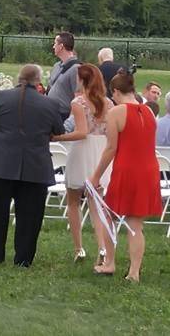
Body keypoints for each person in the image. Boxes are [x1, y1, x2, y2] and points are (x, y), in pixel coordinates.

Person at [0, 65, 65, 267]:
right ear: (38, 81)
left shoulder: (0, 97)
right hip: (35, 165)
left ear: (19, 78)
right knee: (30, 214)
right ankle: (24, 258)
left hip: (1, 163)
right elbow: (58, 130)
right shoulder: (49, 103)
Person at [89, 70, 161, 281]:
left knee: (108, 215)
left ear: (117, 92)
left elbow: (111, 148)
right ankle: (134, 271)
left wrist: (96, 175)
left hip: (127, 169)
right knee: (135, 224)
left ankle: (109, 262)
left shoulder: (116, 112)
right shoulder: (148, 111)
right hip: (149, 169)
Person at [51, 64, 113, 265]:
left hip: (83, 150)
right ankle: (102, 247)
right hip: (101, 150)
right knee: (97, 205)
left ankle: (79, 248)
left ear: (82, 81)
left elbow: (81, 132)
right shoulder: (108, 103)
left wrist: (57, 137)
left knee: (73, 201)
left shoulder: (79, 103)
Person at [47, 31, 81, 121]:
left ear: (61, 46)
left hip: (63, 115)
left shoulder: (76, 68)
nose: (53, 46)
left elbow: (78, 97)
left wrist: (70, 120)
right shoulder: (56, 65)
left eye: (55, 43)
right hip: (50, 112)